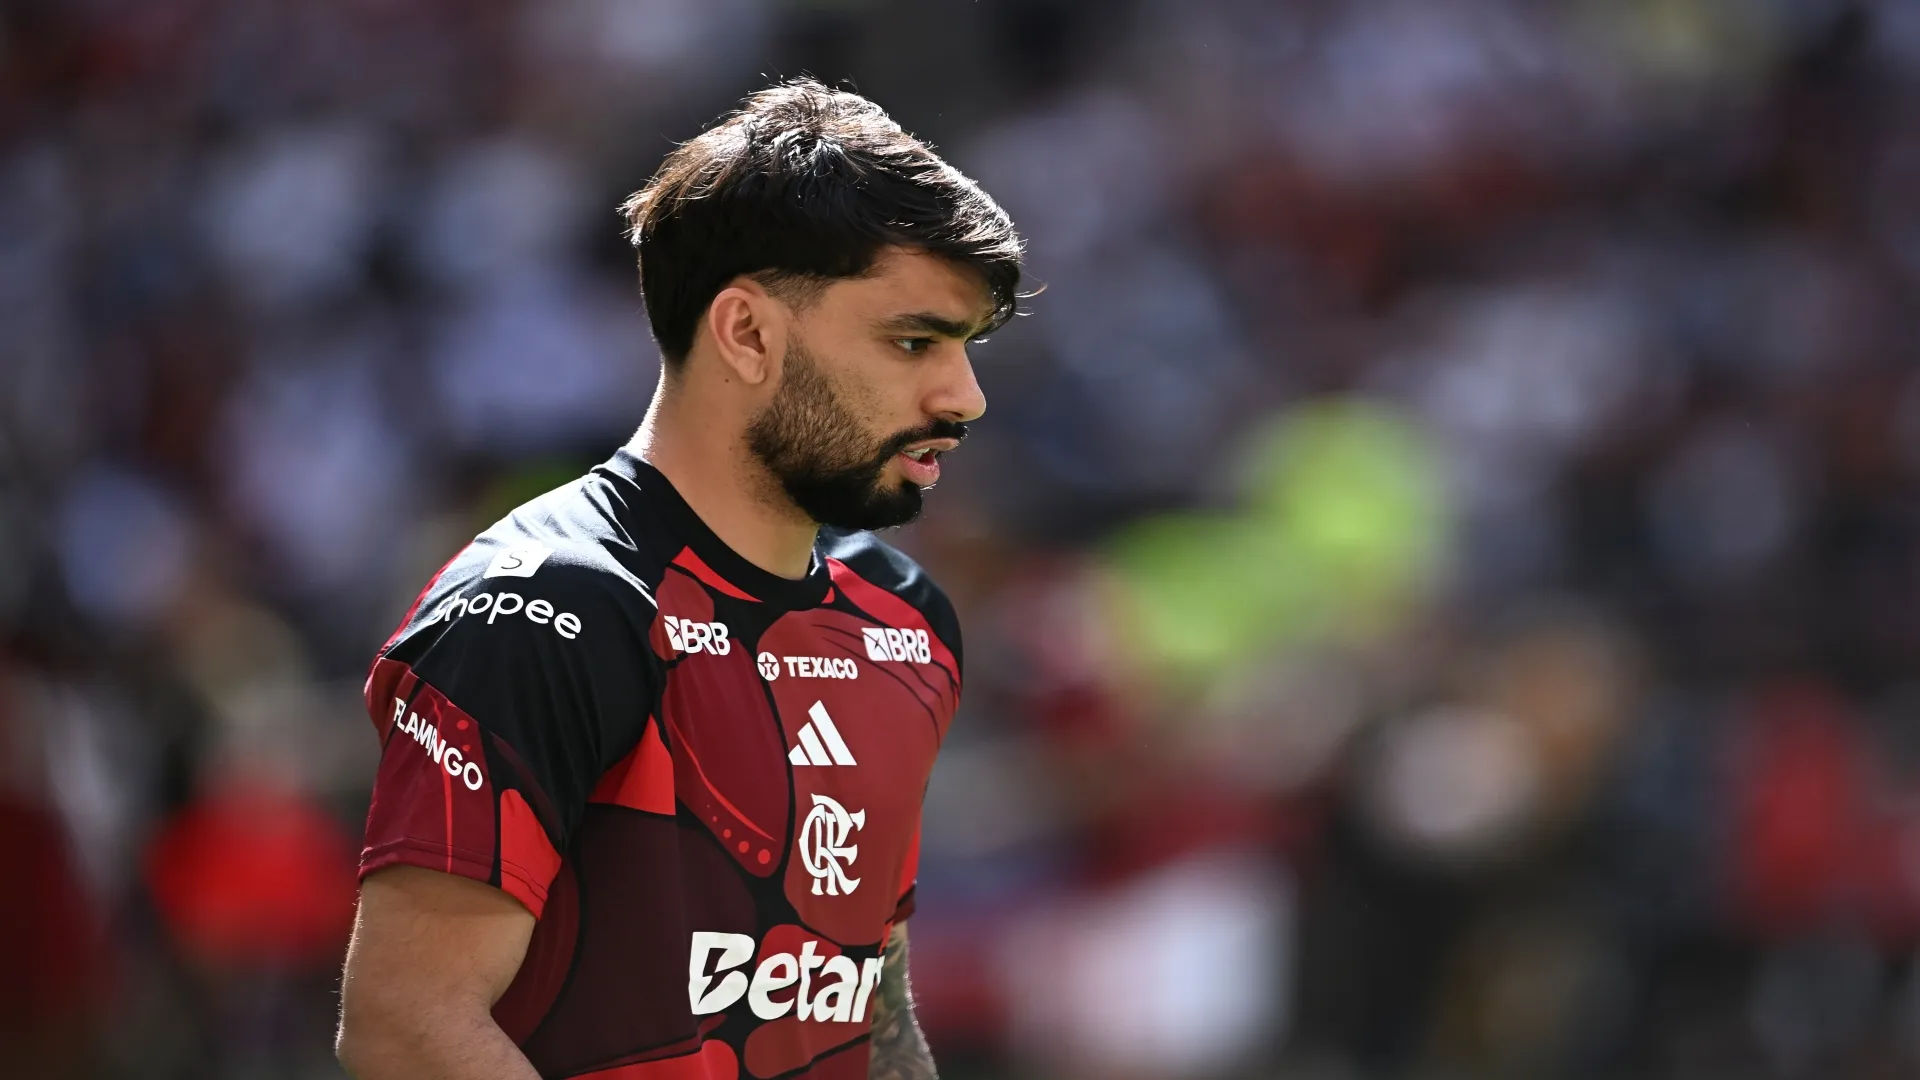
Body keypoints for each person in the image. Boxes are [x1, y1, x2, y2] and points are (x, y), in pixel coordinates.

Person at [334, 79, 1023, 1080]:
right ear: (746, 334)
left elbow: (870, 1012)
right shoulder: (547, 609)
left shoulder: (905, 623)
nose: (964, 396)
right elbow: (407, 1026)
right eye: (913, 341)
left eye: (967, 348)